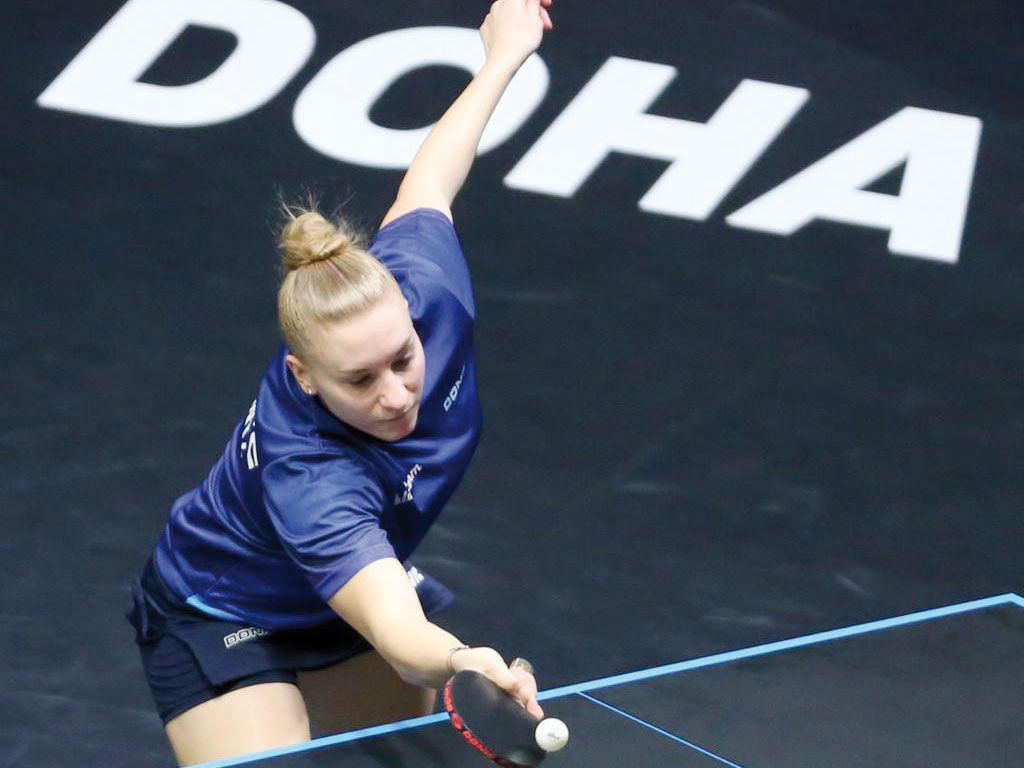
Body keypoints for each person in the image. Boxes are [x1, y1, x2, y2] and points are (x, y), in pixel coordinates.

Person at [126, 1, 555, 764]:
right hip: (221, 605)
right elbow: (399, 635)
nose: (395, 393)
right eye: (359, 380)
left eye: (401, 359)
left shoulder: (424, 292)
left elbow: (429, 183)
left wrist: (503, 56)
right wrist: (462, 659)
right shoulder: (312, 473)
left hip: (347, 593)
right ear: (306, 377)